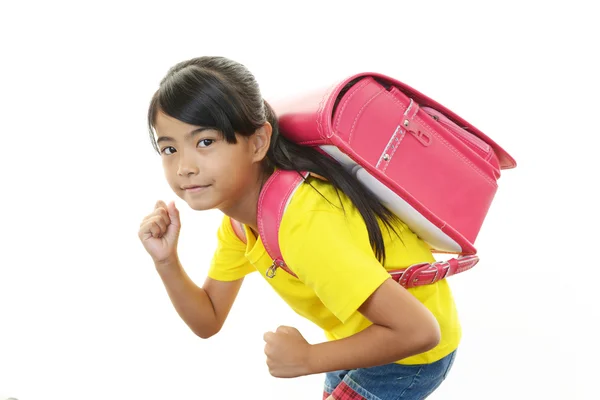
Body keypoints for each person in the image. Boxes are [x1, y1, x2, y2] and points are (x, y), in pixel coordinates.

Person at [138, 56, 459, 399]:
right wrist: (166, 261)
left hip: (409, 355)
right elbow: (208, 320)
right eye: (169, 148)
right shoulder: (239, 224)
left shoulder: (303, 224)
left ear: (258, 142)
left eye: (205, 142)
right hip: (364, 336)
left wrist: (307, 359)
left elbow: (419, 331)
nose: (184, 167)